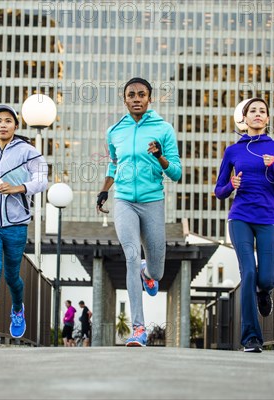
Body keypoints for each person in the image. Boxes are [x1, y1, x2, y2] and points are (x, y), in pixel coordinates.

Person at [96, 77, 182, 347]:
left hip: (153, 201)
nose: (136, 98)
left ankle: (149, 274)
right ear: (125, 99)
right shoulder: (115, 131)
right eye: (131, 94)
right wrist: (103, 190)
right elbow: (114, 164)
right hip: (124, 201)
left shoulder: (164, 129)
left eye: (141, 94)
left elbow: (176, 173)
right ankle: (138, 328)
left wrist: (159, 156)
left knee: (156, 269)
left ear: (149, 98)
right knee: (131, 256)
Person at [214, 98, 274, 353]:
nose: (258, 115)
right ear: (244, 119)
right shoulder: (233, 152)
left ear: (267, 119)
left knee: (267, 277)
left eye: (262, 111)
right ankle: (251, 337)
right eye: (253, 111)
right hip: (240, 217)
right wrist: (231, 185)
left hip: (269, 218)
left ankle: (264, 292)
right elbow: (219, 191)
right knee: (248, 272)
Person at [0, 104, 48, 342]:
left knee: (12, 276)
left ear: (16, 125)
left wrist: (19, 188)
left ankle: (17, 309)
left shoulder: (29, 152)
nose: (3, 125)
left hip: (16, 223)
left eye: (8, 121)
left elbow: (42, 181)